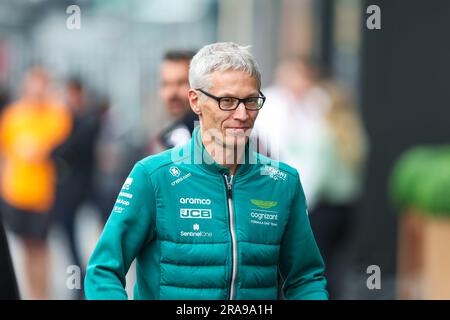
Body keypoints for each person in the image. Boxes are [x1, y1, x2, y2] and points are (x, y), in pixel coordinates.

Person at [85, 42, 328, 300]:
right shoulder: (154, 176)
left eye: (251, 100)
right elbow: (103, 270)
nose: (242, 114)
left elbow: (306, 279)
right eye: (227, 101)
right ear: (196, 101)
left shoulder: (283, 182)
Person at [254, 57, 368, 299]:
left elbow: (314, 173)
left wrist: (299, 204)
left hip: (316, 207)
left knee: (314, 268)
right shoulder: (351, 133)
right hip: (341, 208)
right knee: (330, 267)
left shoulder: (319, 130)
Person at [0, 67, 72, 299]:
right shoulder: (13, 116)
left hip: (44, 194)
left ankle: (43, 294)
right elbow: (5, 153)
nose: (37, 90)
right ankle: (31, 293)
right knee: (26, 249)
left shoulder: (55, 114)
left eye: (42, 85)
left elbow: (61, 144)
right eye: (33, 84)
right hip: (17, 193)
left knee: (41, 248)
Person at [51, 78, 101, 298]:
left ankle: (84, 286)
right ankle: (76, 287)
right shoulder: (65, 120)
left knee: (86, 243)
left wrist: (53, 151)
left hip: (86, 192)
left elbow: (66, 149)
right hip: (68, 194)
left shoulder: (88, 120)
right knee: (71, 246)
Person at [149, 50, 198, 153]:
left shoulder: (212, 138)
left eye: (181, 83)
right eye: (166, 84)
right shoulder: (168, 137)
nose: (172, 93)